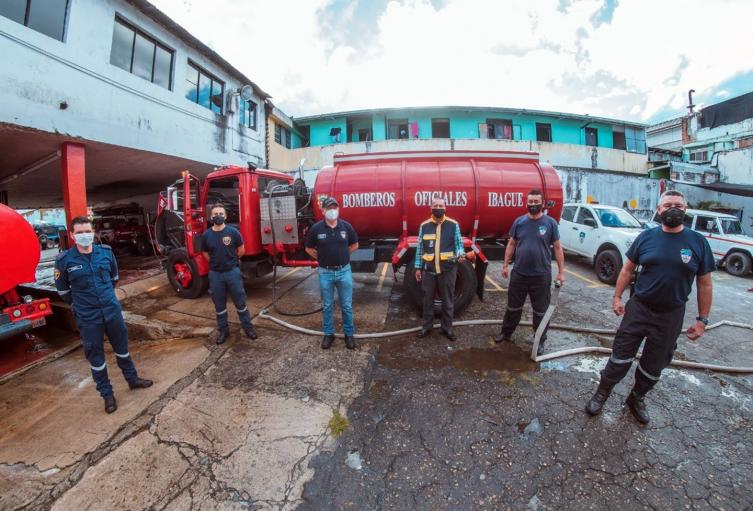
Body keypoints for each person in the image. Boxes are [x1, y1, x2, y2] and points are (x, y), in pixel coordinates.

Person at [585, 190, 714, 424]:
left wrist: (702, 319)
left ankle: (637, 397)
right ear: (659, 210)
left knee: (654, 364)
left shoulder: (698, 242)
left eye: (678, 205)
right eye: (667, 205)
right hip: (639, 309)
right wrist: (617, 297)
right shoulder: (646, 237)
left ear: (685, 209)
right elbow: (627, 269)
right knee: (620, 356)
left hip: (671, 315)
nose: (672, 209)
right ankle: (602, 393)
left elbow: (704, 283)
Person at [55, 216, 153, 414]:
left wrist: (105, 297)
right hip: (88, 315)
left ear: (94, 233)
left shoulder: (106, 253)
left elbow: (114, 278)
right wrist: (80, 305)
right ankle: (107, 394)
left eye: (87, 231)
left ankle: (132, 379)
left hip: (111, 309)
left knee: (122, 348)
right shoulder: (64, 260)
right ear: (73, 236)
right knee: (96, 356)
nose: (85, 235)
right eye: (80, 232)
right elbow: (63, 290)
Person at [496, 189, 565, 355]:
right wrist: (505, 265)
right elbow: (511, 244)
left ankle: (540, 339)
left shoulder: (550, 223)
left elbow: (557, 247)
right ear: (526, 203)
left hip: (541, 275)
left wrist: (561, 272)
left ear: (542, 203)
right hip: (519, 273)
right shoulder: (519, 222)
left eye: (536, 202)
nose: (533, 205)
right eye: (530, 202)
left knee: (540, 310)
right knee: (513, 307)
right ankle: (506, 333)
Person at [304, 197, 359, 350]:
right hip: (325, 272)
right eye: (329, 208)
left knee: (346, 306)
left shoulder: (346, 227)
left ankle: (349, 335)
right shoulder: (316, 229)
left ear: (338, 209)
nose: (332, 211)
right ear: (323, 211)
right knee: (327, 305)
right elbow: (308, 248)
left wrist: (344, 255)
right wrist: (321, 258)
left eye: (335, 208)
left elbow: (355, 244)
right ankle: (329, 334)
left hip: (344, 271)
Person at [200, 203, 258, 345]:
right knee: (219, 306)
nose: (218, 216)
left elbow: (241, 250)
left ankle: (248, 328)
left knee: (241, 303)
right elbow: (205, 253)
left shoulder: (233, 233)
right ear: (211, 217)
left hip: (232, 272)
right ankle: (223, 331)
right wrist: (216, 263)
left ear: (225, 216)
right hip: (215, 275)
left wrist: (232, 261)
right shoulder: (206, 235)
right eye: (215, 214)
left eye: (221, 214)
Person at [414, 198, 466, 341]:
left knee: (448, 300)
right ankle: (426, 327)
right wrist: (418, 267)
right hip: (429, 270)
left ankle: (447, 328)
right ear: (431, 208)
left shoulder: (453, 225)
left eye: (441, 206)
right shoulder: (424, 226)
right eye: (435, 206)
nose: (438, 208)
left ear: (445, 208)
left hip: (448, 270)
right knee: (427, 300)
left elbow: (459, 245)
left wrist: (461, 254)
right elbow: (420, 248)